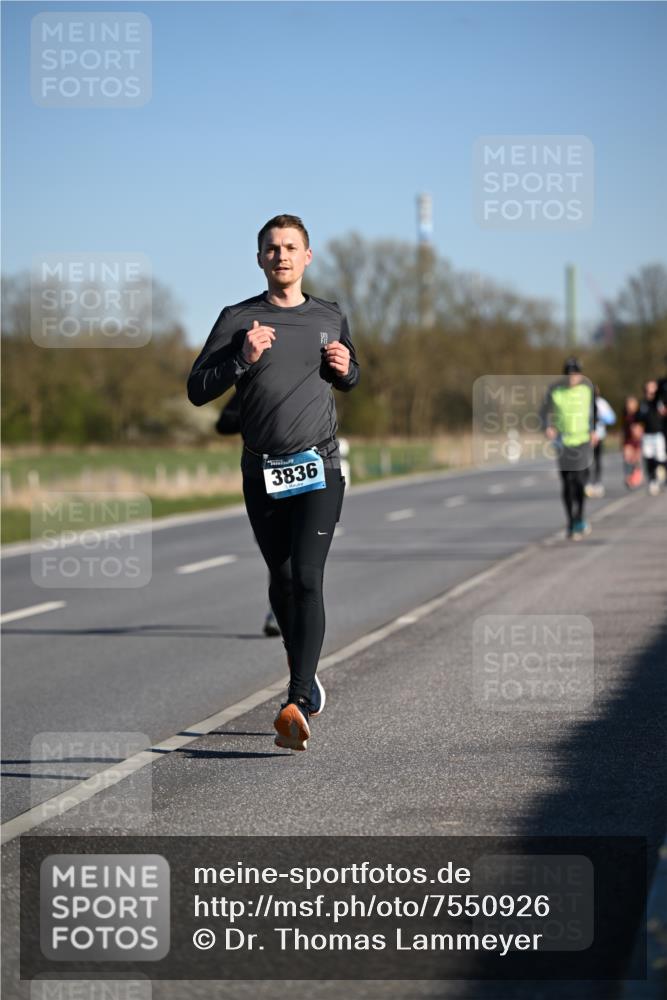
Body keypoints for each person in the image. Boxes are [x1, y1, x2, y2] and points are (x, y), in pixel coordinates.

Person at [187, 214, 360, 751]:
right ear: (259, 258)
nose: (281, 255)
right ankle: (304, 678)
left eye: (290, 247)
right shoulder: (238, 319)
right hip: (261, 470)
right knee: (281, 579)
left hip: (319, 467)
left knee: (307, 577)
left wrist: (345, 367)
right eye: (271, 248)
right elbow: (197, 390)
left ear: (307, 257)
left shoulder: (329, 315)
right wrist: (241, 357)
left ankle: (298, 697)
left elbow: (350, 377)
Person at [215, 392, 282, 637]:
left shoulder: (299, 376)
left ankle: (298, 610)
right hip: (262, 473)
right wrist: (252, 416)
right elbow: (223, 424)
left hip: (300, 469)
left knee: (302, 547)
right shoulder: (247, 390)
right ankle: (277, 611)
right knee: (275, 551)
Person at [541, 357, 595, 540]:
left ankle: (580, 516)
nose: (573, 377)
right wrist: (547, 426)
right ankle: (571, 522)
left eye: (576, 373)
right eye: (569, 373)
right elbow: (543, 411)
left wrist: (594, 430)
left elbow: (594, 411)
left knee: (579, 481)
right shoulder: (555, 390)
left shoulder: (588, 389)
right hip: (563, 442)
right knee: (567, 483)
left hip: (582, 440)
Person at [637, 380, 667, 496]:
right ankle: (652, 480)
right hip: (647, 435)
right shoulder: (643, 403)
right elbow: (638, 419)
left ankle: (661, 474)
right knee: (649, 459)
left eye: (653, 387)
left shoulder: (659, 401)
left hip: (658, 434)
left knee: (660, 458)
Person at [585, 386, 616, 498]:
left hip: (599, 435)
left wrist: (601, 417)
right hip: (585, 436)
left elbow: (612, 419)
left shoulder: (602, 403)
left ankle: (597, 483)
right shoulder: (584, 403)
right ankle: (587, 484)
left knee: (597, 460)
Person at [621, 396, 644, 490]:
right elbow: (623, 429)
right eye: (628, 404)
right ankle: (628, 477)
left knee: (636, 460)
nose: (630, 406)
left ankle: (637, 474)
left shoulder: (639, 415)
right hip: (628, 441)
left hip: (637, 441)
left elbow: (642, 428)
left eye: (632, 404)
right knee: (627, 458)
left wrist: (638, 430)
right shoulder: (625, 415)